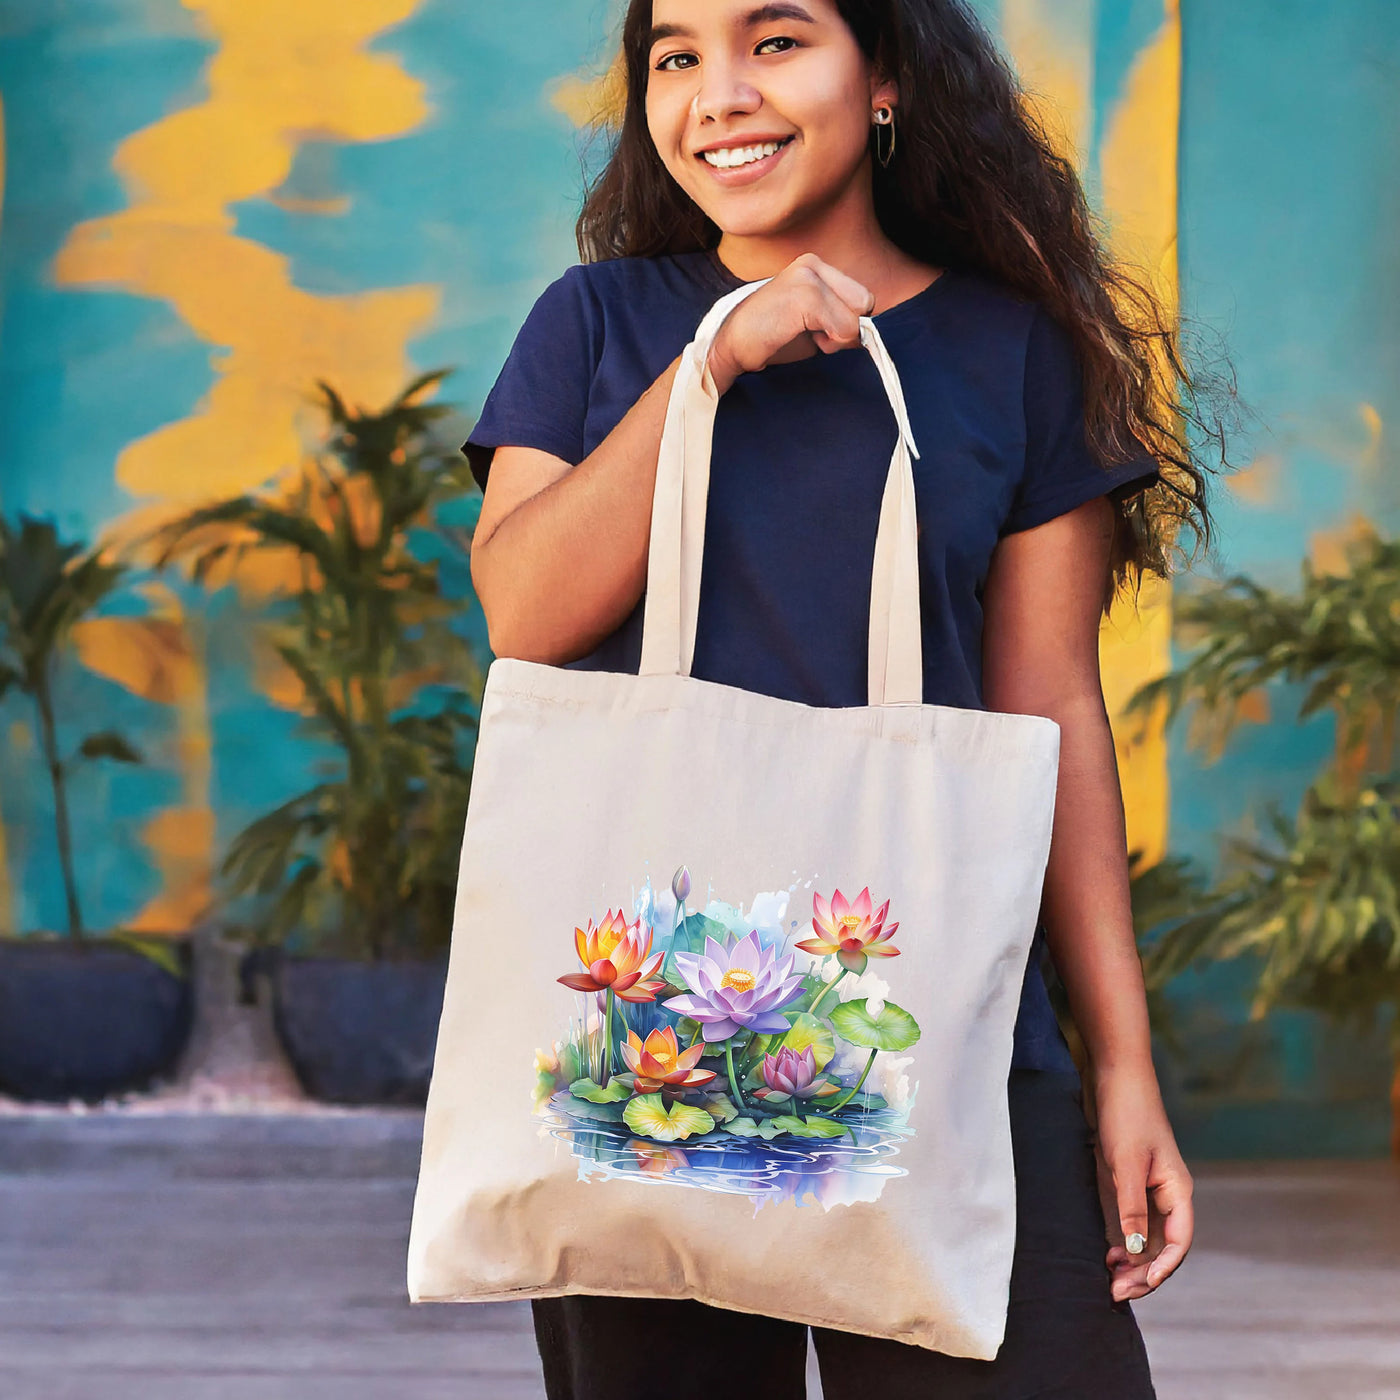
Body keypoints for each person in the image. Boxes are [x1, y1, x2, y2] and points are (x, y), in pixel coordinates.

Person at [463, 1, 1225, 1395]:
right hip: (649, 1049)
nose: (718, 94)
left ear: (884, 78)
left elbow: (1050, 714)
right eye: (676, 57)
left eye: (775, 40)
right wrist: (716, 358)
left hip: (953, 1028)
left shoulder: (1012, 352)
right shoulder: (599, 323)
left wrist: (1124, 1068)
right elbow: (524, 608)